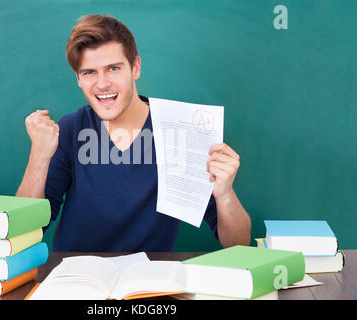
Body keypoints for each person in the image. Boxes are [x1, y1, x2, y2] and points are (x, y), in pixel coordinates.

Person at [16, 14, 251, 251]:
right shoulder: (71, 129)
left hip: (149, 283)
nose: (102, 84)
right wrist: (39, 157)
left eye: (113, 68)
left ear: (135, 67)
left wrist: (225, 194)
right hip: (77, 281)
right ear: (78, 78)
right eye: (89, 72)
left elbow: (237, 242)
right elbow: (25, 231)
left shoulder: (179, 131)